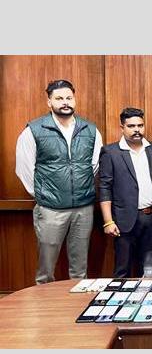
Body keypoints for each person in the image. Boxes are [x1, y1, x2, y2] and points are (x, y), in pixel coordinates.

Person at [15, 79, 103, 284]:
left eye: (69, 98)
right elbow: (24, 168)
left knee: (80, 270)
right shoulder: (33, 130)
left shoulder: (90, 130)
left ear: (75, 100)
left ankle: (76, 303)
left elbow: (95, 165)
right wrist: (44, 195)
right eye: (59, 98)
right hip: (50, 209)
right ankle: (44, 303)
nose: (65, 102)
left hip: (83, 208)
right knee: (46, 270)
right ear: (49, 102)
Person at [98, 108, 152, 278]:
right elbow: (105, 187)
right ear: (122, 128)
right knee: (122, 269)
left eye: (140, 125)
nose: (137, 130)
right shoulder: (111, 152)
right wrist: (108, 221)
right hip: (124, 220)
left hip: (151, 218)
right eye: (131, 126)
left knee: (149, 269)